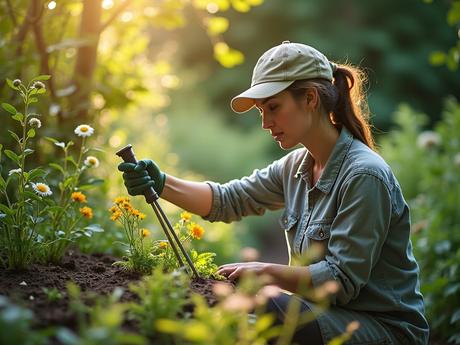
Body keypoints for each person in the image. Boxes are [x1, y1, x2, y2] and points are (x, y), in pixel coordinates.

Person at [118, 41, 429, 345]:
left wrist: (264, 271)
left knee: (268, 309)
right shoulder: (296, 166)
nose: (266, 123)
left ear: (309, 98)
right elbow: (229, 200)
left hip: (384, 329)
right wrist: (161, 183)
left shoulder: (363, 175)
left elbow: (339, 282)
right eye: (260, 111)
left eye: (274, 107)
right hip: (328, 318)